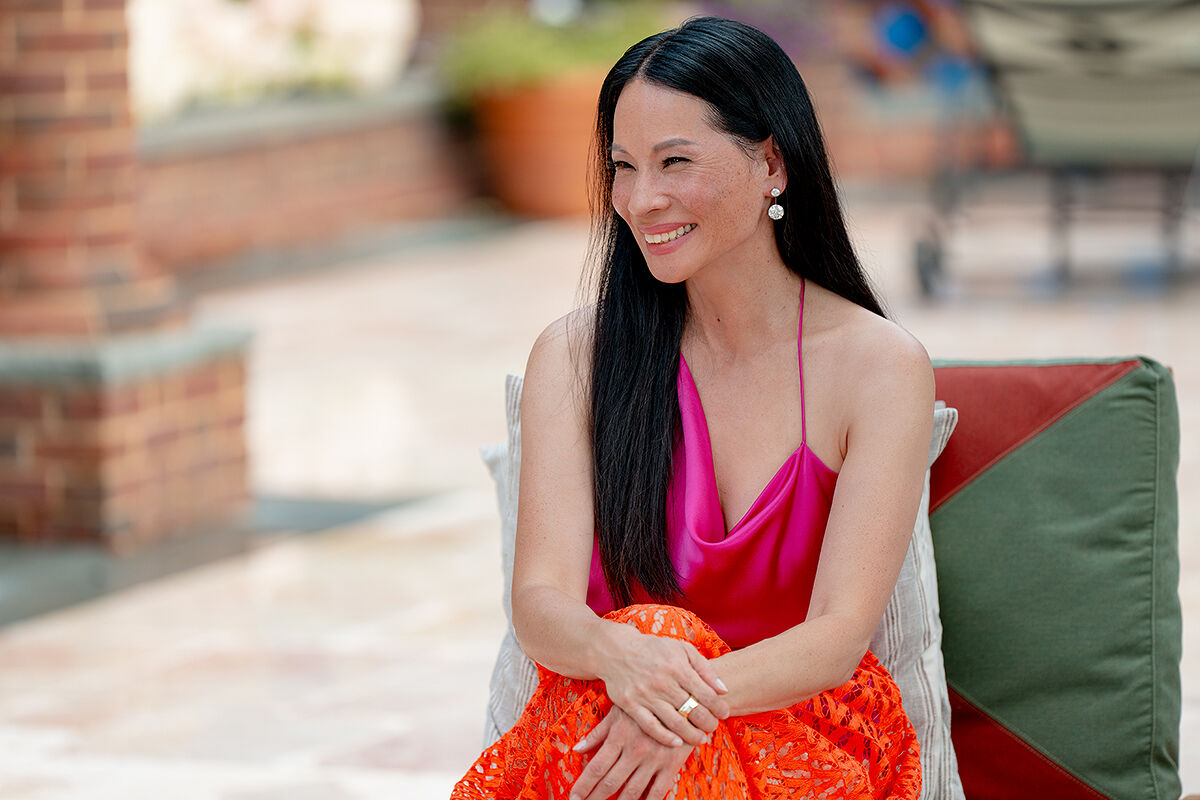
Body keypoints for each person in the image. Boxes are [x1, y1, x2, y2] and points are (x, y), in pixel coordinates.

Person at [452, 16, 932, 800]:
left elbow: (837, 638)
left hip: (798, 727)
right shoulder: (575, 356)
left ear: (772, 162)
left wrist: (672, 703)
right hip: (609, 711)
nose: (642, 200)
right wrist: (626, 663)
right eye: (624, 166)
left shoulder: (879, 367)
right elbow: (540, 602)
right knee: (650, 630)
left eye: (676, 161)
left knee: (657, 641)